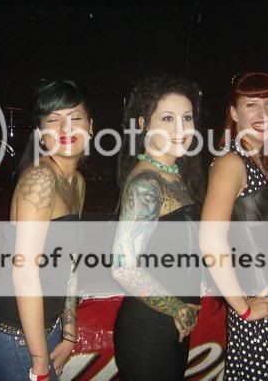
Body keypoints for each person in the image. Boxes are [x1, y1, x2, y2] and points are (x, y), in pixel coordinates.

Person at [199, 72, 268, 380]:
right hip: (259, 302)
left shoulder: (265, 158)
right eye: (252, 105)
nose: (264, 113)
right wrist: (243, 308)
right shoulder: (231, 163)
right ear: (234, 113)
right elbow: (210, 241)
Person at [0, 79, 93, 381]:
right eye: (53, 120)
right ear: (41, 134)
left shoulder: (76, 183)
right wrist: (40, 361)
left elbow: (69, 264)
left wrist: (69, 331)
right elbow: (25, 273)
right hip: (16, 335)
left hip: (46, 328)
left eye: (75, 118)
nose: (66, 128)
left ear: (91, 126)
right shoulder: (40, 180)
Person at [111, 75, 206, 380]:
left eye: (186, 118)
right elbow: (123, 268)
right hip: (148, 329)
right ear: (143, 124)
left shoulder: (175, 174)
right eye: (167, 118)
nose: (181, 128)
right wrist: (177, 308)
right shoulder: (146, 184)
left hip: (170, 323)